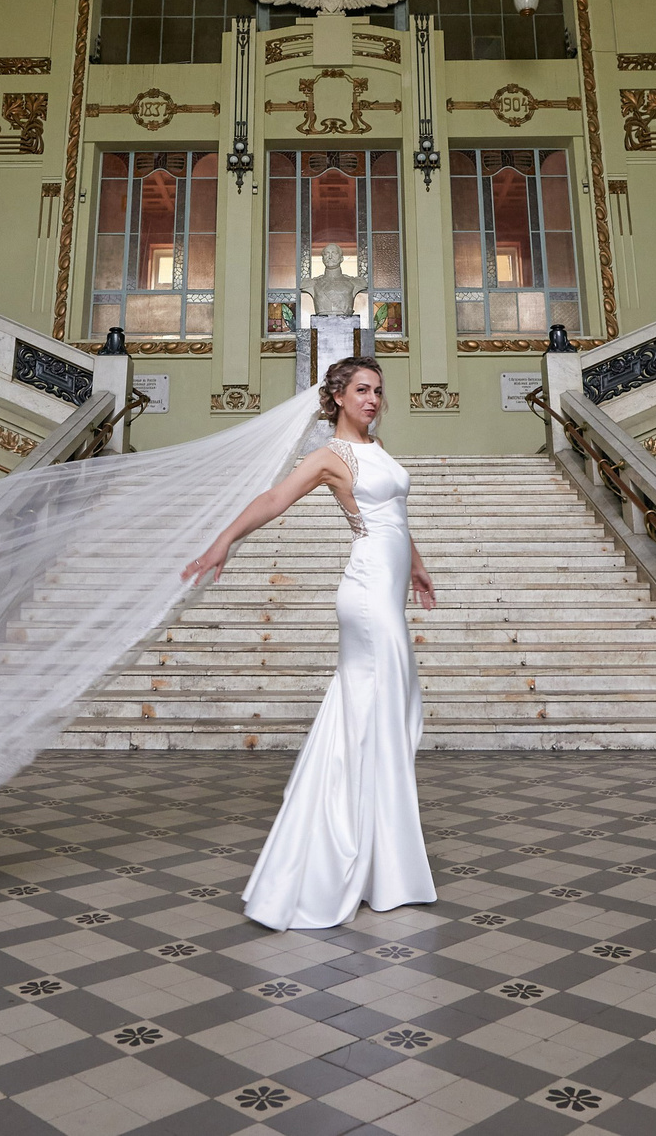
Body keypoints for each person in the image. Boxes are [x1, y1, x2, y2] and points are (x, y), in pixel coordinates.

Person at [182, 357, 439, 930]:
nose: (373, 399)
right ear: (338, 396)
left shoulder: (377, 448)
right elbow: (274, 500)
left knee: (384, 716)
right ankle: (354, 857)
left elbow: (395, 516)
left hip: (389, 590)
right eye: (362, 390)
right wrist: (224, 541)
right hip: (367, 597)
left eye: (378, 390)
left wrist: (418, 566)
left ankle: (379, 859)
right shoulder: (329, 457)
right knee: (378, 714)